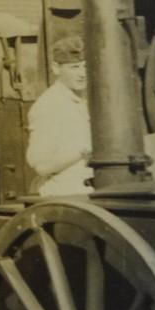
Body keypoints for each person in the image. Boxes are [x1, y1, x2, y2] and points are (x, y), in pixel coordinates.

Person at [26, 34, 93, 196]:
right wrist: (85, 150)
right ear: (56, 68)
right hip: (64, 193)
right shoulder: (48, 106)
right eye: (74, 67)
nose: (82, 74)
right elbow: (40, 165)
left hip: (89, 189)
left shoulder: (85, 100)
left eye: (85, 66)